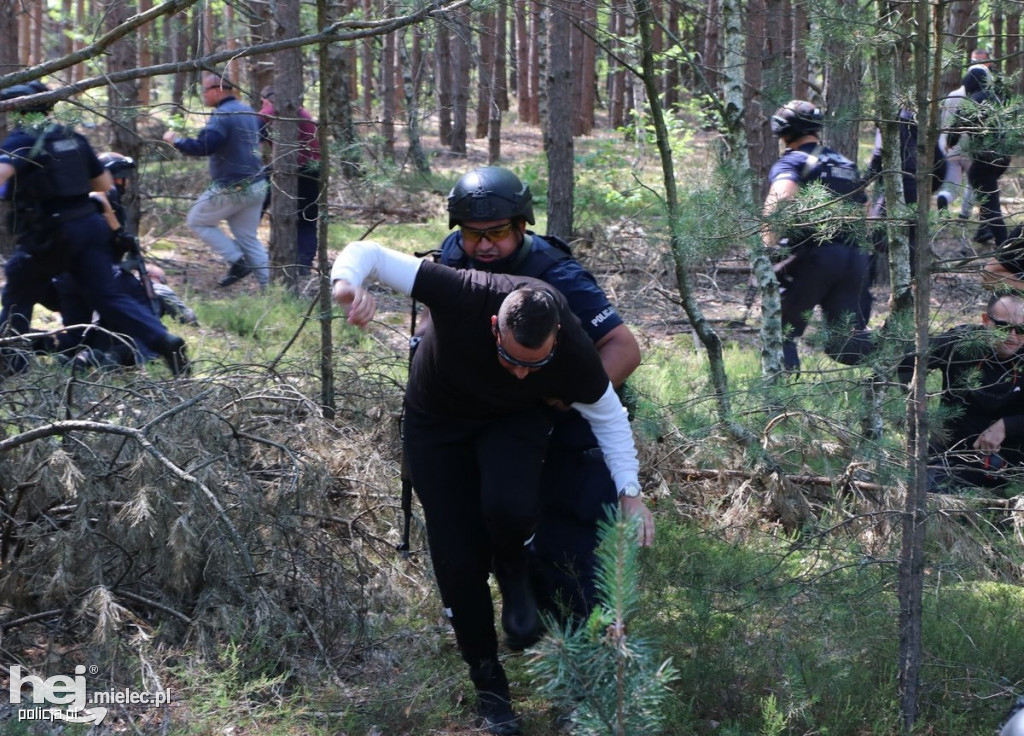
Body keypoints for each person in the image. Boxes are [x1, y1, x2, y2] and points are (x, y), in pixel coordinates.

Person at [330, 241, 654, 735]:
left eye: (535, 364)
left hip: (511, 419)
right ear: (493, 329)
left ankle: (513, 563)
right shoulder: (463, 292)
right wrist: (347, 286)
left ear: (557, 339)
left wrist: (631, 493)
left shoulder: (571, 350)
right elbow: (364, 252)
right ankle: (489, 682)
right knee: (458, 556)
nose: (523, 371)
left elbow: (609, 418)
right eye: (512, 358)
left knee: (511, 505)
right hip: (438, 423)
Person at [438, 166, 642, 625]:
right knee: (498, 525)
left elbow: (624, 349)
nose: (484, 245)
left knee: (572, 561)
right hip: (497, 427)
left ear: (522, 226)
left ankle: (588, 657)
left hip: (571, 434)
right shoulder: (454, 259)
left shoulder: (557, 274)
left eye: (497, 233)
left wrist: (569, 397)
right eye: (473, 234)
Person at [0, 81, 189, 376]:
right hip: (89, 227)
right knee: (108, 296)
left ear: (18, 111)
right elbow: (103, 184)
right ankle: (164, 340)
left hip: (50, 232)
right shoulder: (73, 137)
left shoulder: (21, 139)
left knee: (18, 291)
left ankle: (11, 364)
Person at [763, 99, 873, 371]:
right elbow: (866, 210)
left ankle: (780, 405)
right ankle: (907, 357)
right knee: (846, 344)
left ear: (783, 131)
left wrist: (765, 249)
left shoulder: (794, 161)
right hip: (854, 258)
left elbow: (780, 203)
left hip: (813, 257)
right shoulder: (845, 163)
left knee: (781, 333)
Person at [898, 293, 1024, 493]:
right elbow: (906, 359)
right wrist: (909, 402)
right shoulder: (961, 342)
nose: (1013, 337)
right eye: (1003, 327)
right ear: (985, 320)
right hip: (953, 454)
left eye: (1021, 329)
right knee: (930, 498)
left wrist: (1008, 425)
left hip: (1015, 459)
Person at [162, 73, 269, 289]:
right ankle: (273, 289)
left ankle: (237, 262)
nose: (203, 95)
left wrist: (176, 142)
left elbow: (206, 145)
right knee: (248, 239)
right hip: (257, 184)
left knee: (197, 220)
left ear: (218, 89)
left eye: (205, 90)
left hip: (233, 186)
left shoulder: (222, 115)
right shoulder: (247, 110)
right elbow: (264, 135)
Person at [258, 85, 321, 273]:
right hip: (313, 168)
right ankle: (303, 265)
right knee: (307, 219)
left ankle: (245, 254)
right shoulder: (302, 112)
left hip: (288, 169)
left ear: (267, 100)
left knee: (254, 209)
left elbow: (252, 133)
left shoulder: (269, 111)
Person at [949, 66, 1011, 247]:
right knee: (985, 193)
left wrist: (949, 144)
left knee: (991, 204)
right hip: (1003, 158)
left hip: (984, 160)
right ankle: (984, 231)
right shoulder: (997, 99)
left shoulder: (971, 102)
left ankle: (1003, 247)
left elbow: (954, 133)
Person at [936, 64, 994, 223]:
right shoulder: (981, 96)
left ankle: (944, 199)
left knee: (950, 184)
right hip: (970, 146)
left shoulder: (952, 95)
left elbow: (945, 121)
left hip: (948, 145)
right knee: (972, 184)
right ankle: (964, 214)